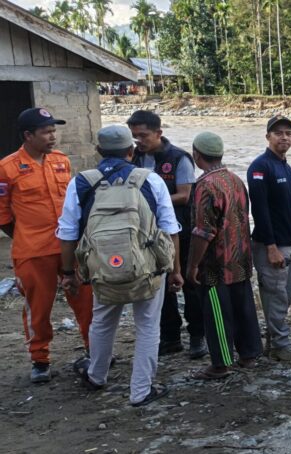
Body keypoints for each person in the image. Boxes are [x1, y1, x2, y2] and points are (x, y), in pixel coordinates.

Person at [58, 125, 182, 407]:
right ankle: (141, 390)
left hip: (102, 268)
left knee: (102, 321)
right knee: (148, 325)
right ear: (131, 151)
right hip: (147, 268)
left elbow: (67, 234)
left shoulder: (81, 182)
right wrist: (175, 270)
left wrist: (68, 273)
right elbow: (170, 229)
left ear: (99, 151)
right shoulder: (150, 180)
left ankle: (96, 376)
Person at [0, 107, 93, 383]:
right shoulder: (7, 168)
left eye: (54, 131)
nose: (53, 136)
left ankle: (95, 350)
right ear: (28, 135)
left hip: (70, 247)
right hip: (33, 252)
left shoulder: (61, 161)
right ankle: (40, 359)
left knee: (86, 300)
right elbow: (3, 216)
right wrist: (26, 237)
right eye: (46, 132)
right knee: (38, 307)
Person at [126, 110, 205, 359]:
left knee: (189, 283)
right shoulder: (134, 158)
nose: (139, 140)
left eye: (143, 135)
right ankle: (170, 337)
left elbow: (185, 195)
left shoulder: (178, 158)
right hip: (147, 233)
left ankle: (197, 336)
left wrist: (151, 201)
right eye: (134, 136)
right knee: (158, 283)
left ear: (158, 133)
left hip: (180, 230)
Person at [185, 132, 263, 379]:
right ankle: (249, 354)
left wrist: (193, 265)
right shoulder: (235, 179)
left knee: (217, 312)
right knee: (242, 308)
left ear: (196, 155)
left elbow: (203, 231)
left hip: (216, 264)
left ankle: (221, 363)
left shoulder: (205, 185)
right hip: (240, 258)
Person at [248, 115, 291, 362]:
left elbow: (290, 208)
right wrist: (271, 247)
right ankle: (281, 345)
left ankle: (274, 340)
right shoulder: (260, 167)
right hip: (271, 245)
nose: (284, 137)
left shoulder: (285, 166)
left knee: (285, 296)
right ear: (267, 136)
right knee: (275, 296)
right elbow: (259, 210)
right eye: (278, 133)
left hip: (289, 243)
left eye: (288, 133)